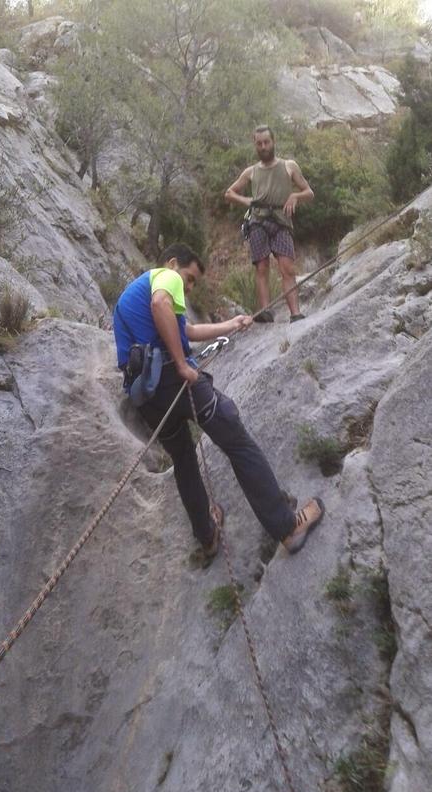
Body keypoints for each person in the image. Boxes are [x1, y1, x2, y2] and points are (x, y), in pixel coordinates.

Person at [113, 243, 324, 560]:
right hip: (176, 381)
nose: (189, 286)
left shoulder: (135, 294)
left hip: (148, 395)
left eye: (194, 282)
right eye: (189, 277)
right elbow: (161, 305)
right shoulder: (164, 278)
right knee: (237, 442)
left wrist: (231, 324)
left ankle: (207, 536)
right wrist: (183, 365)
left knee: (183, 458)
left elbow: (188, 329)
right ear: (173, 264)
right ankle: (287, 526)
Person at [225, 124, 314, 323]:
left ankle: (295, 313)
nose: (263, 147)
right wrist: (246, 201)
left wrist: (295, 196)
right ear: (255, 145)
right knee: (261, 266)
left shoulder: (289, 166)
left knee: (287, 267)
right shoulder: (251, 172)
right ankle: (265, 311)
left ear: (273, 142)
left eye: (266, 142)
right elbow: (229, 193)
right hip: (258, 221)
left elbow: (309, 192)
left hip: (282, 221)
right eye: (259, 144)